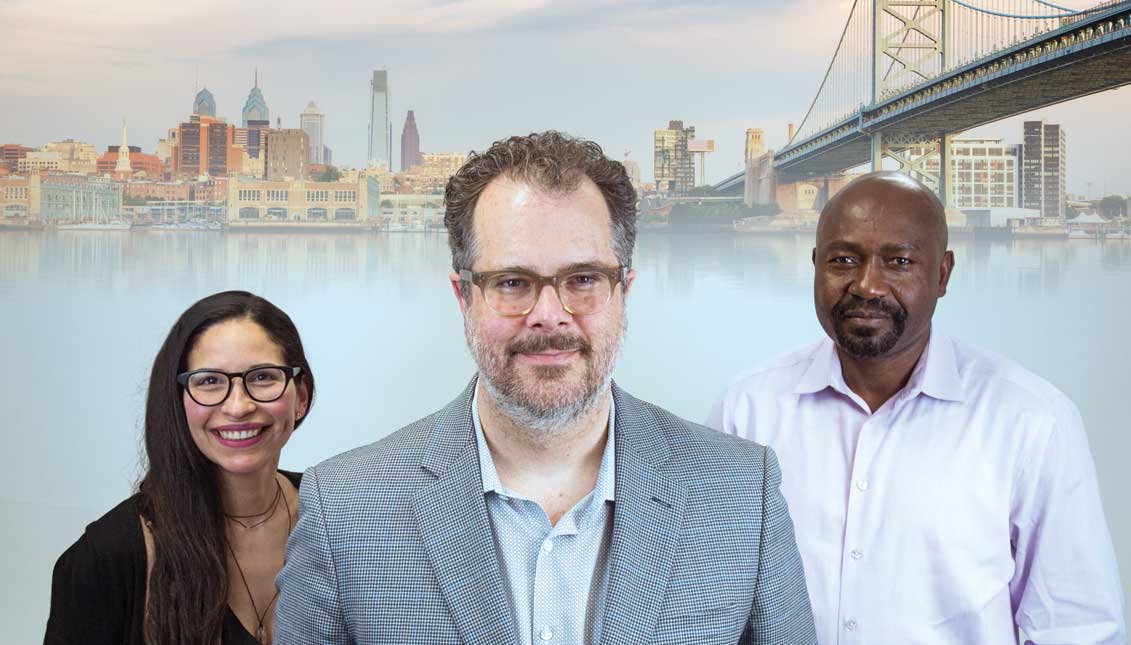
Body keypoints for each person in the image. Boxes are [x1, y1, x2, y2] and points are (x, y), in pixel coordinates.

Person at [276, 132, 816, 644]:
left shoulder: (744, 495)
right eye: (513, 283)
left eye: (583, 279)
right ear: (463, 297)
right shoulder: (344, 509)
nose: (550, 316)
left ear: (624, 291)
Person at [707, 171, 1126, 644]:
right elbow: (705, 603)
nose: (867, 285)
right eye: (843, 260)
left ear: (943, 274)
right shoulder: (747, 409)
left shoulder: (1032, 421)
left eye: (898, 262)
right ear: (815, 265)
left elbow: (1076, 630)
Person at [45, 291, 314, 645]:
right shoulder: (107, 556)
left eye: (263, 377)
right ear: (177, 402)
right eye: (209, 381)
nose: (238, 406)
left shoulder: (340, 521)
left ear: (301, 397)